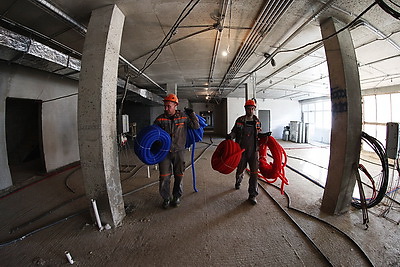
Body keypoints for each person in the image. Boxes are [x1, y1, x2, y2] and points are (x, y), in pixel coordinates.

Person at [154, 93, 200, 209]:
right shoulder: (160, 119)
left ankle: (176, 196)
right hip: (164, 152)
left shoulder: (183, 117)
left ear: (175, 105)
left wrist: (192, 114)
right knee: (164, 176)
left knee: (179, 175)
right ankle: (166, 198)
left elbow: (195, 126)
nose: (166, 108)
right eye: (165, 106)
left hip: (179, 151)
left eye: (168, 106)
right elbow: (153, 135)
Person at [227, 99, 262, 205]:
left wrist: (264, 136)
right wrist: (230, 136)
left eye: (252, 108)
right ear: (245, 109)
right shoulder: (240, 120)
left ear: (254, 109)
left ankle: (252, 195)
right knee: (240, 169)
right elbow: (234, 131)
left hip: (254, 151)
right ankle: (238, 180)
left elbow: (259, 134)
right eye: (248, 108)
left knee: (254, 174)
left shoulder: (257, 122)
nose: (250, 110)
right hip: (241, 150)